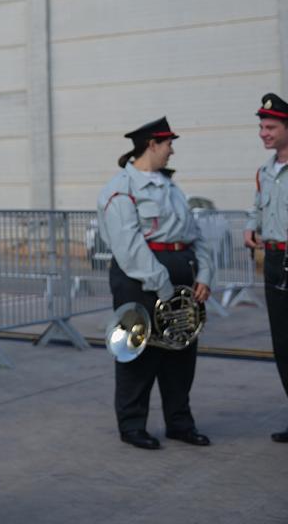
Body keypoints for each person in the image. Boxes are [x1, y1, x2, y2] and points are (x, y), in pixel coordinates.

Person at [97, 116, 214, 450]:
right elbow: (129, 247)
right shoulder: (120, 188)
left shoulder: (170, 187)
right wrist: (165, 288)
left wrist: (204, 274)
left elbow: (195, 235)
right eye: (168, 144)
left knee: (181, 352)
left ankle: (180, 423)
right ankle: (132, 425)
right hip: (141, 281)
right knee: (140, 352)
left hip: (182, 277)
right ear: (152, 145)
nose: (171, 151)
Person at [243, 93, 288, 442]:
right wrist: (250, 226)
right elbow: (258, 206)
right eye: (261, 127)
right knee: (282, 344)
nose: (263, 133)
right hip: (274, 262)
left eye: (270, 127)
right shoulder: (264, 172)